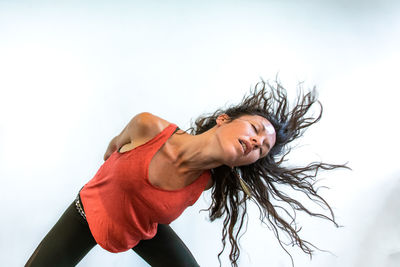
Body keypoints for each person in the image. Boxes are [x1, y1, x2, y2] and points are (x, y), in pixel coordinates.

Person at [25, 80, 348, 267]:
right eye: (255, 129)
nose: (255, 142)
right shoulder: (148, 126)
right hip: (87, 215)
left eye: (261, 148)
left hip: (140, 230)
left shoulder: (203, 184)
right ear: (223, 119)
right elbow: (112, 148)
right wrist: (110, 186)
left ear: (243, 163)